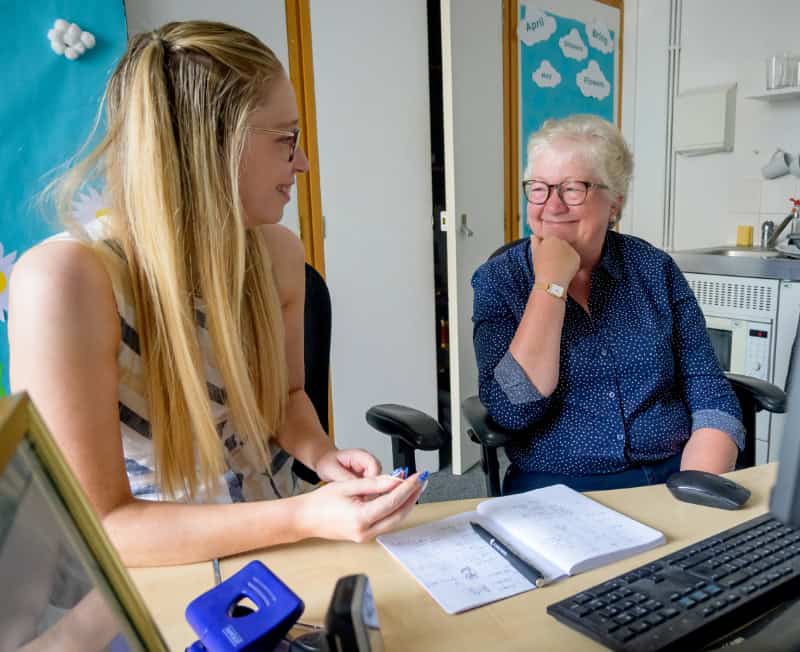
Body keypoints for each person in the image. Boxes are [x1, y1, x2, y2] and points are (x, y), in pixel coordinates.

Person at [8, 20, 425, 567]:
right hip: (157, 570)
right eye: (286, 140)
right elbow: (97, 526)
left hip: (282, 544)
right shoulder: (66, 282)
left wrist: (324, 457)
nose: (301, 162)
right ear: (212, 145)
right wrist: (303, 516)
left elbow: (286, 399)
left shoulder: (276, 253)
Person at [472, 114, 743, 495]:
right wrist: (550, 285)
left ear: (615, 200)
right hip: (557, 488)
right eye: (538, 188)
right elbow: (513, 409)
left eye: (572, 188)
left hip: (671, 474)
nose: (551, 206)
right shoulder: (499, 280)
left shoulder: (654, 269)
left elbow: (707, 389)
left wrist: (695, 488)